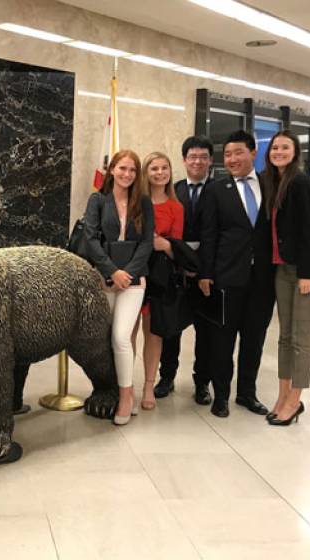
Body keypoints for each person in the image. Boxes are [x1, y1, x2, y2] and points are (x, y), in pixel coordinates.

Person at [198, 130, 274, 418]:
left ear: (253, 153)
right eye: (227, 154)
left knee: (254, 340)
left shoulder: (271, 186)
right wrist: (206, 273)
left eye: (238, 153)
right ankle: (222, 396)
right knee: (223, 341)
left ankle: (247, 393)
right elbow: (209, 235)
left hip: (263, 280)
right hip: (227, 277)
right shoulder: (217, 189)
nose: (232, 159)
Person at [261, 130, 310, 425]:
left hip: (306, 267)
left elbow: (308, 230)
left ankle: (295, 401)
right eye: (275, 147)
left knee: (300, 338)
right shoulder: (273, 182)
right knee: (284, 336)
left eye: (285, 147)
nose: (279, 151)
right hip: (282, 267)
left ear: (295, 151)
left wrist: (305, 273)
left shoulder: (299, 183)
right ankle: (282, 394)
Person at [83, 149, 154, 425]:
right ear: (112, 169)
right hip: (104, 279)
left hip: (135, 281)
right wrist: (112, 271)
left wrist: (127, 274)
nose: (127, 174)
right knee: (105, 340)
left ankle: (126, 395)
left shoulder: (143, 202)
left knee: (122, 337)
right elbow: (90, 239)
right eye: (122, 168)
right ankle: (111, 389)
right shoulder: (98, 200)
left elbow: (147, 242)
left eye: (133, 170)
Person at [155, 135, 214, 405]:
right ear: (184, 160)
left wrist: (203, 269)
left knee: (207, 330)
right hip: (175, 271)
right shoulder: (173, 189)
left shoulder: (220, 190)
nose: (197, 161)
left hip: (207, 271)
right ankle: (166, 376)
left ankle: (202, 382)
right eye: (192, 157)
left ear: (210, 161)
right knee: (171, 327)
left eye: (203, 157)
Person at [135, 152, 183, 411]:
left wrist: (164, 244)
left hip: (159, 278)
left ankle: (148, 386)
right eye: (154, 168)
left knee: (153, 334)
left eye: (164, 167)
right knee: (126, 333)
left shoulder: (176, 207)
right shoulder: (136, 203)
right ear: (146, 172)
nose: (160, 172)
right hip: (134, 273)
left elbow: (178, 249)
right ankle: (124, 387)